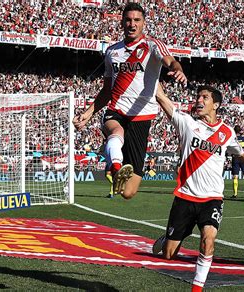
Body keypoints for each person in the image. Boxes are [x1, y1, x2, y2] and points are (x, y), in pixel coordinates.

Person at [152, 83, 244, 292]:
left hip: (212, 198)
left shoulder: (226, 132)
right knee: (168, 253)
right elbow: (161, 97)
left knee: (208, 241)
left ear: (216, 105)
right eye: (198, 97)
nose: (199, 100)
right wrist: (153, 60)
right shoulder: (186, 123)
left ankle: (197, 289)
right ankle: (168, 237)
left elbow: (241, 155)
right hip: (185, 197)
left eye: (205, 97)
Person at [73, 3, 187, 198]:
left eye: (137, 20)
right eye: (128, 20)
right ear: (121, 23)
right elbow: (107, 90)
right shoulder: (112, 52)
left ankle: (115, 163)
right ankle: (116, 166)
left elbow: (170, 60)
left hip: (141, 116)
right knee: (115, 130)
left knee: (128, 193)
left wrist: (178, 69)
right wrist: (88, 114)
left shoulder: (152, 46)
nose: (132, 24)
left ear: (143, 23)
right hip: (116, 109)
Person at [230, 125, 244, 199]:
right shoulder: (243, 139)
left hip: (235, 157)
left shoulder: (232, 139)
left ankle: (235, 194)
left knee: (235, 176)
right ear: (240, 131)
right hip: (242, 157)